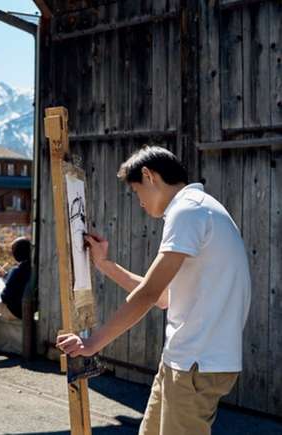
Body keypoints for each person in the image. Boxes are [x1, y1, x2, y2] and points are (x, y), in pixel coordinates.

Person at [56, 146, 251, 435]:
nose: (140, 202)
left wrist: (92, 344)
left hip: (195, 364)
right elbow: (162, 298)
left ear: (149, 176)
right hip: (184, 361)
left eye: (137, 191)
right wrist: (106, 265)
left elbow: (149, 293)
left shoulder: (188, 210)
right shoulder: (199, 209)